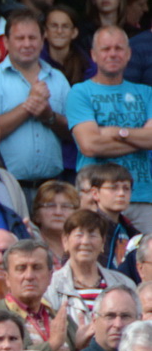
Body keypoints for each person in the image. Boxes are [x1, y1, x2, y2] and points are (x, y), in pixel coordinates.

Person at [69, 27, 152, 233]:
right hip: (94, 198)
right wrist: (137, 138)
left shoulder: (146, 92)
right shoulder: (80, 92)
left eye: (118, 48)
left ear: (129, 54)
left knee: (146, 262)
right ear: (93, 55)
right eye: (105, 49)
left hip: (140, 197)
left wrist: (116, 132)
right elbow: (89, 145)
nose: (112, 54)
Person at [0, 9, 70, 190]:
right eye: (20, 38)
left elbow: (74, 131)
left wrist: (49, 116)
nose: (27, 44)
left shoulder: (58, 79)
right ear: (6, 42)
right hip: (6, 186)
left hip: (52, 185)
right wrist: (28, 106)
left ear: (43, 40)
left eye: (32, 38)